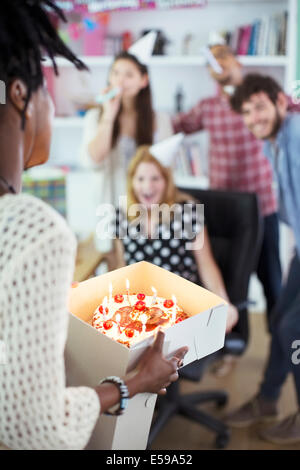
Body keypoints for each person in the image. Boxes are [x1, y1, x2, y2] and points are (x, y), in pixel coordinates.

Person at [0, 0, 188, 450]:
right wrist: (132, 385)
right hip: (110, 219)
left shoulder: (156, 121)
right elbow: (34, 428)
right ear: (23, 95)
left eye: (128, 74)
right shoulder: (33, 231)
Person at [172, 44, 285, 333]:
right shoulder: (207, 107)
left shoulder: (260, 103)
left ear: (237, 60)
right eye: (210, 60)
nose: (218, 64)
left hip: (262, 207)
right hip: (224, 211)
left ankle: (281, 349)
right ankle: (233, 347)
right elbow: (175, 127)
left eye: (222, 56)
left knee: (272, 280)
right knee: (232, 283)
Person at [225, 73, 300, 444]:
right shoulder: (278, 142)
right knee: (280, 319)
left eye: (260, 107)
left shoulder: (296, 135)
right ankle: (268, 400)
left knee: (291, 330)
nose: (253, 117)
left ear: (280, 102)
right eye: (246, 112)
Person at [111, 143, 239, 333]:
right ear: (132, 182)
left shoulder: (187, 211)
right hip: (139, 307)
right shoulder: (121, 215)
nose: (148, 186)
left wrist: (223, 302)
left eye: (155, 178)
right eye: (141, 179)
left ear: (166, 181)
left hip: (179, 306)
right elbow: (122, 268)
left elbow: (206, 263)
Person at [79, 44, 173, 209]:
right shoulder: (95, 118)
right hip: (110, 205)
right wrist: (109, 114)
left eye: (129, 75)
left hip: (149, 208)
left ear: (143, 80)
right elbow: (94, 160)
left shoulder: (161, 120)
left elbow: (166, 170)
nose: (120, 80)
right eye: (115, 73)